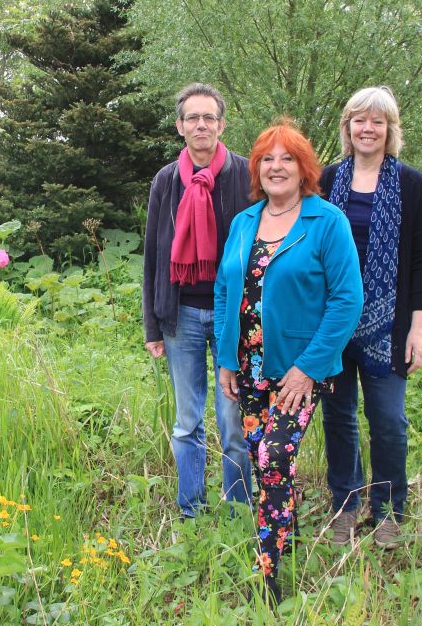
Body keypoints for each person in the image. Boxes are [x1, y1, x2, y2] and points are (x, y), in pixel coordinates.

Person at [215, 119, 363, 602]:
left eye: (287, 159)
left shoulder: (327, 221)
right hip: (249, 367)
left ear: (304, 169)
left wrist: (309, 368)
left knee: (274, 456)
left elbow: (347, 300)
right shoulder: (244, 222)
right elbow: (224, 292)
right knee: (265, 464)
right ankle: (289, 538)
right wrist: (226, 359)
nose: (276, 167)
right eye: (267, 159)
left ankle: (270, 578)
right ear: (257, 169)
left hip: (298, 370)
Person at [320, 86, 422, 549]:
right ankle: (345, 506)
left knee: (388, 420)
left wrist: (418, 329)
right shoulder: (327, 180)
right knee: (339, 417)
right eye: (360, 120)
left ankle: (389, 510)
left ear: (390, 130)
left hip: (389, 327)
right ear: (347, 127)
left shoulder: (411, 184)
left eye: (378, 121)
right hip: (333, 322)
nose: (368, 128)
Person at [142, 82, 254, 518]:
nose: (201, 125)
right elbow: (153, 255)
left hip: (234, 317)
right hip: (181, 315)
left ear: (222, 125)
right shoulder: (166, 180)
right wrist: (152, 326)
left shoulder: (245, 175)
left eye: (209, 117)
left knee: (232, 421)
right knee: (187, 422)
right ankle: (191, 510)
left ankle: (238, 510)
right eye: (193, 117)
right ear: (180, 126)